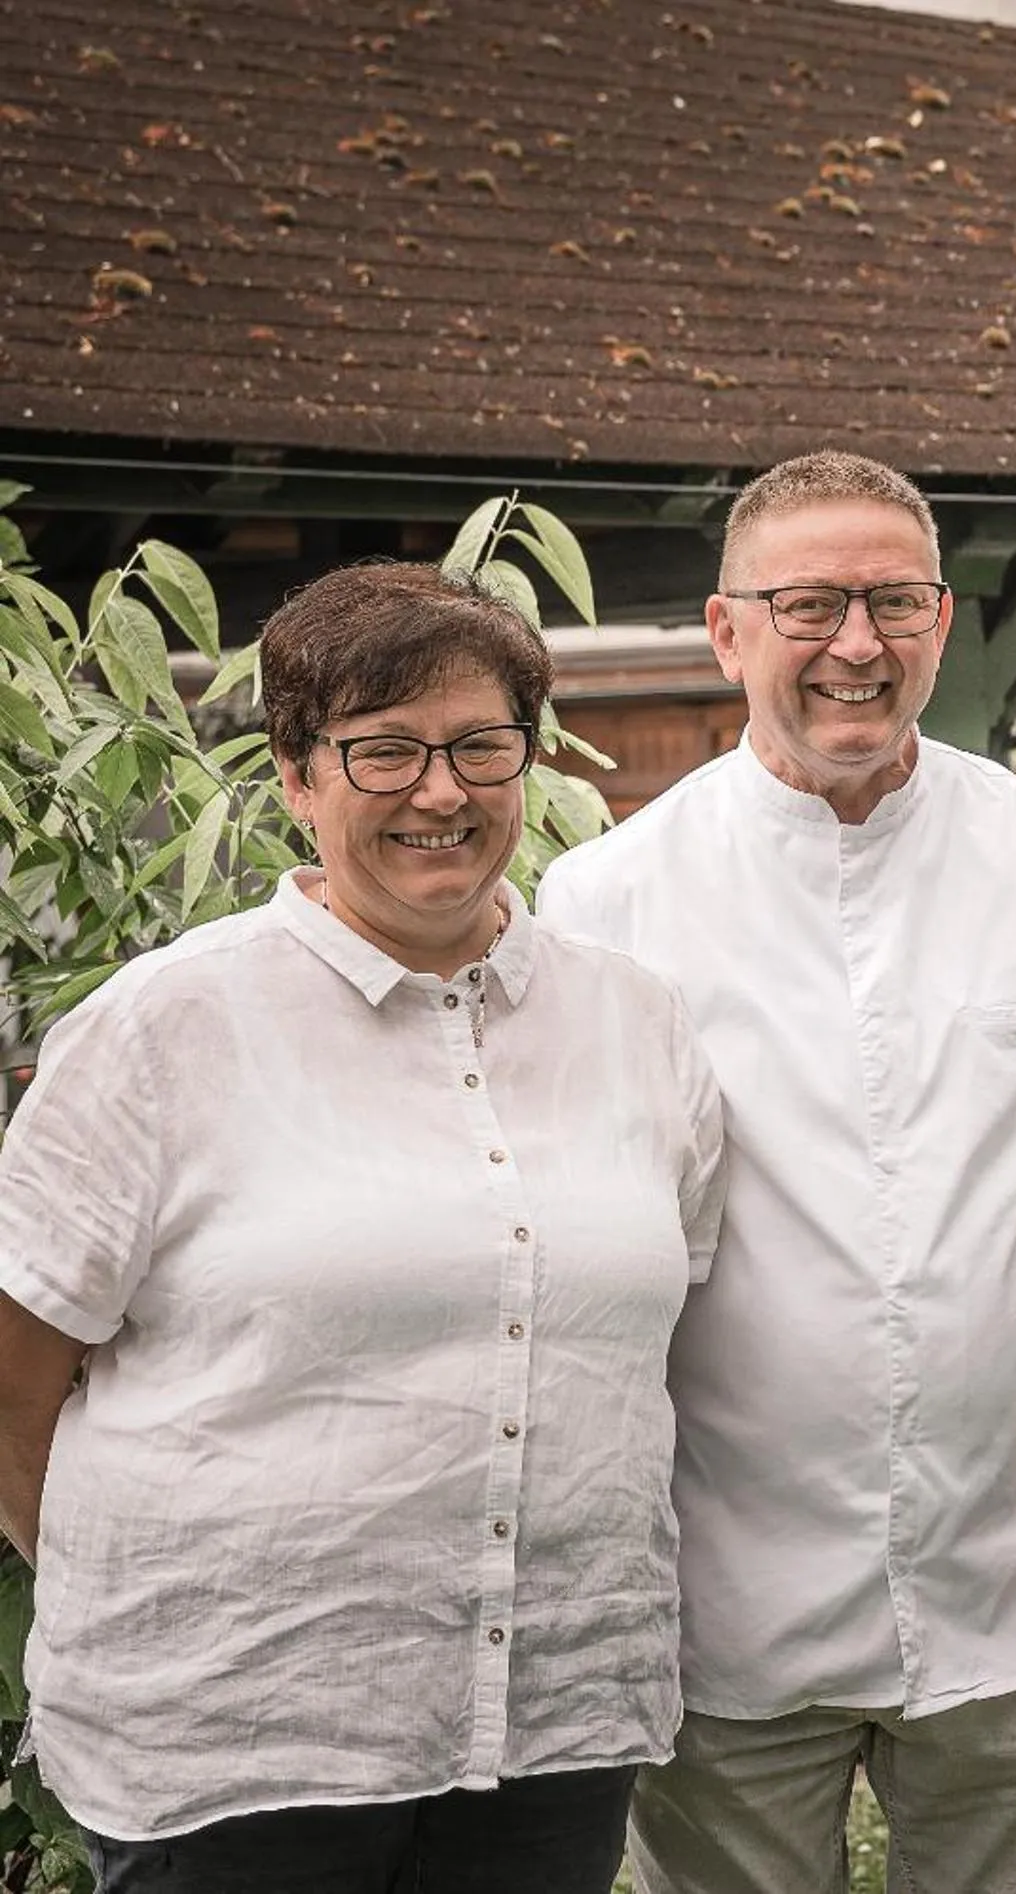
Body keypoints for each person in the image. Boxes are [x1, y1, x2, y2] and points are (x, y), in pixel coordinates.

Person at [0, 563, 725, 1893]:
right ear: (295, 773)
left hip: (550, 1724)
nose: (438, 790)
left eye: (478, 745)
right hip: (235, 1741)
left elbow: (651, 1322)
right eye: (383, 749)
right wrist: (170, 1599)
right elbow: (11, 1381)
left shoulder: (639, 1021)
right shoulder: (162, 1030)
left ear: (526, 755)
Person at [535, 450, 1016, 1894]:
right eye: (812, 603)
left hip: (1015, 1568)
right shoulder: (603, 903)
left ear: (942, 622)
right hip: (723, 1591)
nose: (856, 643)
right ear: (726, 630)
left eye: (892, 602)